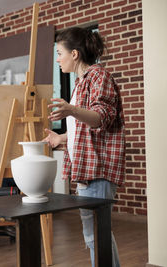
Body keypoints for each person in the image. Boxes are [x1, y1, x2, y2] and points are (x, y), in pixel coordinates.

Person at [43, 27, 125, 267]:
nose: (58, 59)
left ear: (75, 54)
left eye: (60, 53)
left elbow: (101, 118)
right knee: (94, 234)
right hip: (87, 170)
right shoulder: (80, 83)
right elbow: (85, 130)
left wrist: (70, 109)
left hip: (98, 170)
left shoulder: (100, 76)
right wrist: (61, 139)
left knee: (96, 235)